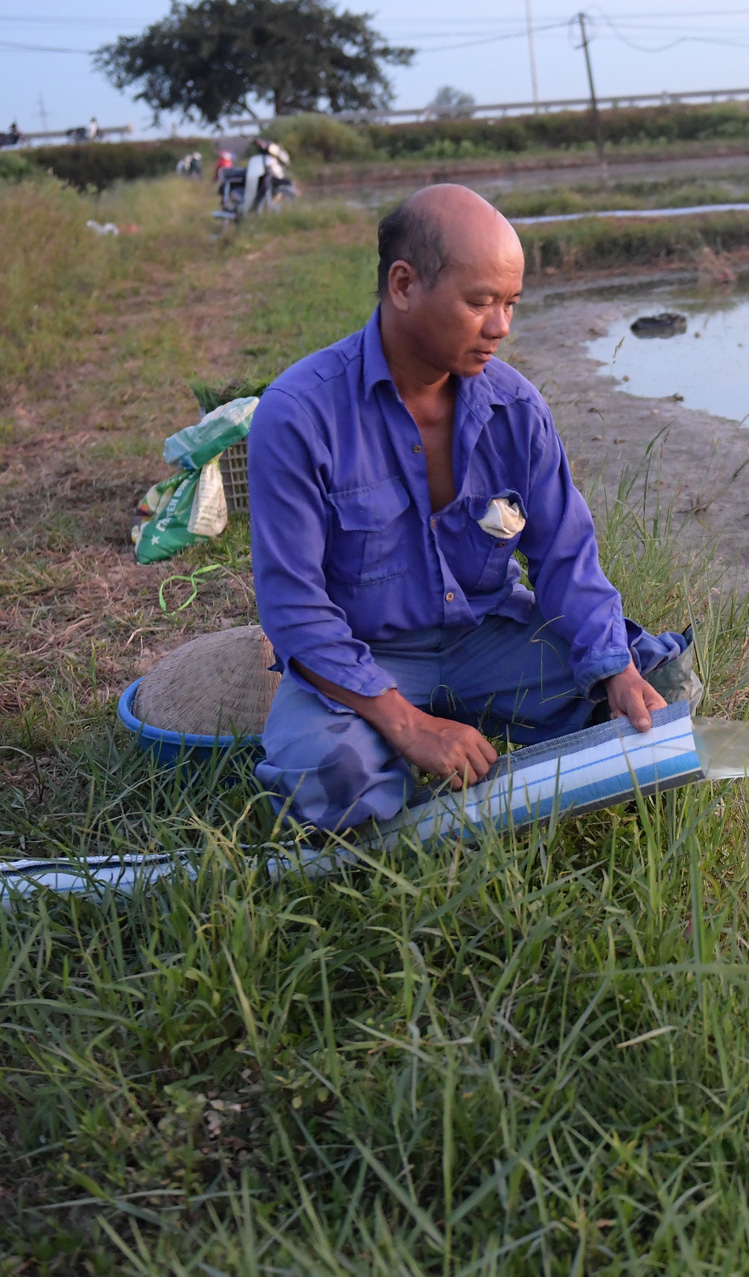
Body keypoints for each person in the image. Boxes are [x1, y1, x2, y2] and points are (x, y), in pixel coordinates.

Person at [247, 184, 695, 832]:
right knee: (329, 771)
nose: (501, 327)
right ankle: (388, 776)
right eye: (480, 302)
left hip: (488, 637)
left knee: (661, 689)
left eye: (510, 303)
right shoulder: (298, 414)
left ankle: (467, 772)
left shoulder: (516, 410)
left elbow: (566, 557)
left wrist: (615, 669)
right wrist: (411, 725)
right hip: (368, 655)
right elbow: (294, 608)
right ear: (403, 285)